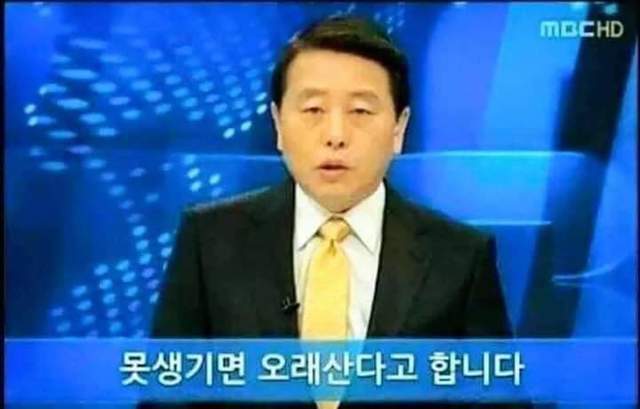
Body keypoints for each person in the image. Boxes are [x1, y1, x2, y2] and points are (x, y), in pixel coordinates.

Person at [143, 16, 520, 409]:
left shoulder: (460, 257)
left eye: (360, 111)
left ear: (398, 128)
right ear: (278, 123)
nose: (335, 135)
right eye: (313, 109)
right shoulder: (209, 240)